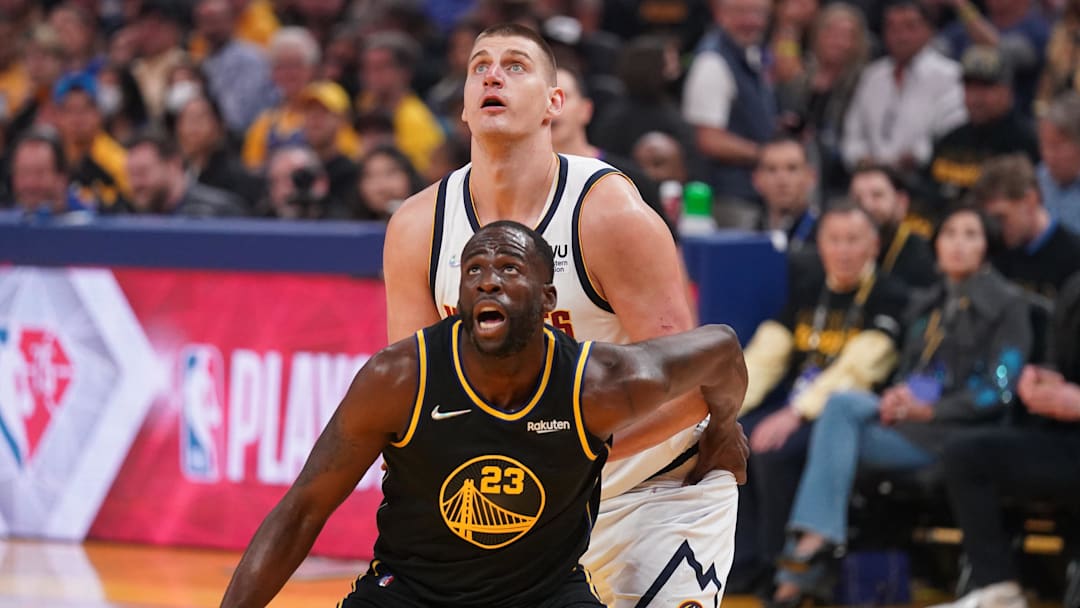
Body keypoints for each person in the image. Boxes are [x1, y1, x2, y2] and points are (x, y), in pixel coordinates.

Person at [383, 23, 748, 608]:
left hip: (650, 494)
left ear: (556, 103)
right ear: (465, 107)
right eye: (480, 66)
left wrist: (553, 456)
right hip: (528, 508)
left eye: (515, 65)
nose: (493, 75)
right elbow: (417, 398)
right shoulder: (417, 226)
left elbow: (692, 385)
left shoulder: (609, 214)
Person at [219, 220, 749, 608]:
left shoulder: (597, 383)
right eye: (473, 269)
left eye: (508, 268)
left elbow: (722, 348)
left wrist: (723, 431)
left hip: (544, 596)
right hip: (410, 594)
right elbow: (303, 508)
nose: (487, 280)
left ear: (547, 300)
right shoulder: (399, 378)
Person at [769, 205, 1033, 607]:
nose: (959, 245)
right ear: (937, 245)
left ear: (987, 246)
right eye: (950, 234)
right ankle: (815, 542)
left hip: (962, 433)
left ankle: (802, 562)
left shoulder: (1008, 304)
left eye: (970, 235)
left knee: (836, 433)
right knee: (840, 406)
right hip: (911, 423)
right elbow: (918, 374)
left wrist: (931, 410)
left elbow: (997, 389)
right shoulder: (928, 302)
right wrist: (899, 394)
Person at [731, 202, 908, 593]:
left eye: (853, 240)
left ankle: (781, 567)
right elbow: (766, 355)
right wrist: (725, 408)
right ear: (821, 245)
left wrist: (796, 412)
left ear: (873, 246)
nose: (843, 250)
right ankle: (741, 566)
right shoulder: (809, 288)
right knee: (735, 439)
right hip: (799, 406)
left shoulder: (890, 296)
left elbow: (861, 369)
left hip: (846, 418)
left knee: (774, 450)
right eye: (834, 240)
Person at [932, 272, 1080, 608]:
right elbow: (1062, 365)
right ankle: (999, 589)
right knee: (965, 454)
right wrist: (1040, 378)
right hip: (1065, 441)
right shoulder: (1074, 287)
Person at [973, 154, 1080, 300]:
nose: (997, 227)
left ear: (1030, 201)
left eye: (1001, 217)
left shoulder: (1074, 257)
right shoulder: (996, 253)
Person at [850, 163, 938, 287]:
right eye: (858, 199)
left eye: (877, 195)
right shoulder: (836, 251)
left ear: (901, 202)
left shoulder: (920, 256)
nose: (867, 206)